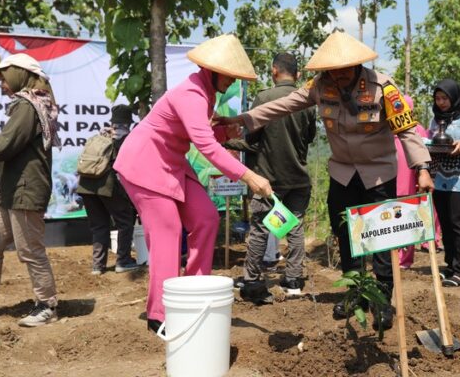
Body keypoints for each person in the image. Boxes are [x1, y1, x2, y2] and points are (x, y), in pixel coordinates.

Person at [215, 30, 433, 330]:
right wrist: (242, 120)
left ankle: (383, 298)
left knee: (381, 239)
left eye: (343, 70)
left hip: (379, 174)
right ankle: (356, 293)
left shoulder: (383, 87)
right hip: (343, 173)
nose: (338, 76)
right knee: (345, 234)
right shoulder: (320, 86)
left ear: (356, 65)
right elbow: (285, 104)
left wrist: (421, 167)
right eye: (333, 71)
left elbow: (407, 130)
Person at [113, 34, 273, 334]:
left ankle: (193, 291)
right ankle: (160, 315)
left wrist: (225, 131)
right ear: (211, 70)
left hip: (172, 162)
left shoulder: (206, 93)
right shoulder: (192, 93)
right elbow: (207, 148)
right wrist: (250, 177)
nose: (231, 81)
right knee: (168, 230)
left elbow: (204, 133)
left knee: (207, 218)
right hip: (144, 163)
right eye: (228, 75)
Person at [226, 53, 316, 302]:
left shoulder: (264, 98)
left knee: (261, 228)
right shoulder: (307, 101)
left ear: (274, 70)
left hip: (268, 180)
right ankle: (294, 280)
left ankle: (253, 281)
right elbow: (309, 137)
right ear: (297, 74)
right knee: (294, 227)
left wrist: (226, 142)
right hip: (298, 177)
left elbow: (253, 142)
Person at [0, 53, 61, 326]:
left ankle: (47, 305)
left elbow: (6, 144)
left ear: (19, 74)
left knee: (30, 250)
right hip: (11, 188)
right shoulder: (33, 103)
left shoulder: (27, 106)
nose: (1, 85)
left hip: (25, 189)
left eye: (3, 78)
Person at [425, 79, 460, 287]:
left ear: (454, 97)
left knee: (458, 221)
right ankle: (449, 265)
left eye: (445, 98)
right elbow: (431, 145)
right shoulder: (435, 120)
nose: (441, 102)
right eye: (437, 98)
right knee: (445, 223)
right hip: (440, 179)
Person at [77, 104, 140, 275]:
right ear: (128, 122)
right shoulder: (127, 139)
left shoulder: (100, 135)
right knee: (125, 221)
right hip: (108, 186)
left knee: (99, 225)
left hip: (86, 186)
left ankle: (98, 266)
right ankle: (123, 261)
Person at [395, 95, 443, 269]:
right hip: (391, 180)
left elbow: (423, 154)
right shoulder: (387, 129)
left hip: (410, 180)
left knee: (408, 217)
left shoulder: (417, 129)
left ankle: (405, 258)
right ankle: (392, 256)